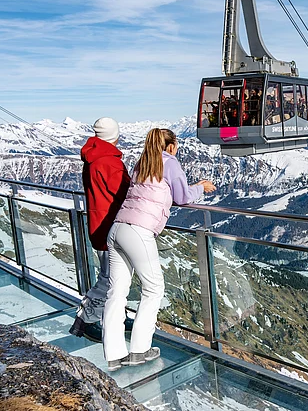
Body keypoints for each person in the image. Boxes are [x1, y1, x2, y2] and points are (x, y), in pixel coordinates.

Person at [102, 128, 215, 371]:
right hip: (139, 231)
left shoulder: (143, 162)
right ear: (172, 146)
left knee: (116, 292)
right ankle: (140, 350)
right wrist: (201, 186)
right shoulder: (170, 163)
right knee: (153, 289)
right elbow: (182, 196)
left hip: (117, 228)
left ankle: (113, 354)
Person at [70, 117, 131, 340]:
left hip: (99, 222)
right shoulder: (109, 162)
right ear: (114, 135)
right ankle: (86, 320)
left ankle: (114, 316)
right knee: (110, 277)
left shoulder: (93, 158)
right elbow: (124, 193)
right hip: (110, 225)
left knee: (114, 276)